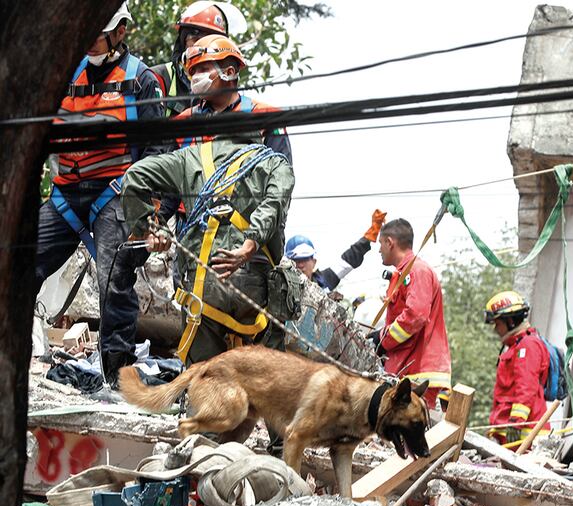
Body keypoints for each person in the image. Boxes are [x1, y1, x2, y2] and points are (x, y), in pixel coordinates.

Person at [34, 2, 166, 388]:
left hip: (114, 192)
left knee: (115, 276)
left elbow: (157, 149)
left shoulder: (140, 79)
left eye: (97, 32)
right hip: (66, 195)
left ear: (119, 32)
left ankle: (116, 376)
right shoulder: (63, 75)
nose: (88, 40)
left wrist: (149, 211)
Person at [121, 136, 295, 366]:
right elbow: (274, 204)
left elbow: (135, 175)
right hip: (257, 285)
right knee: (266, 377)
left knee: (204, 377)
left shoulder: (191, 157)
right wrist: (248, 246)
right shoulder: (275, 163)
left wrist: (147, 229)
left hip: (204, 284)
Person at [371, 219, 452, 411]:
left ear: (390, 242)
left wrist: (382, 339)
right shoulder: (404, 273)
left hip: (419, 371)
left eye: (381, 244)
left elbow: (416, 315)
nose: (379, 250)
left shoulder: (417, 271)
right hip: (408, 369)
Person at [173, 34, 292, 161]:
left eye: (203, 69)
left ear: (229, 72)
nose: (196, 77)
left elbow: (281, 169)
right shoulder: (181, 123)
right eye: (193, 72)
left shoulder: (267, 118)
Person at [150, 1, 246, 117]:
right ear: (183, 42)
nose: (202, 46)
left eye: (210, 41)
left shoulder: (223, 82)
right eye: (196, 39)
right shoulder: (158, 77)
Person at [484, 291, 552, 446]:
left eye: (498, 324)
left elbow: (526, 386)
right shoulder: (517, 346)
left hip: (522, 436)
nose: (495, 329)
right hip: (512, 435)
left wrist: (516, 421)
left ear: (510, 321)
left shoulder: (527, 346)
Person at [284, 210, 386, 292]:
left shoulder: (323, 281)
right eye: (296, 261)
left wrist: (371, 234)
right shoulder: (280, 287)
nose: (300, 265)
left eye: (304, 260)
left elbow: (348, 261)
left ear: (314, 262)